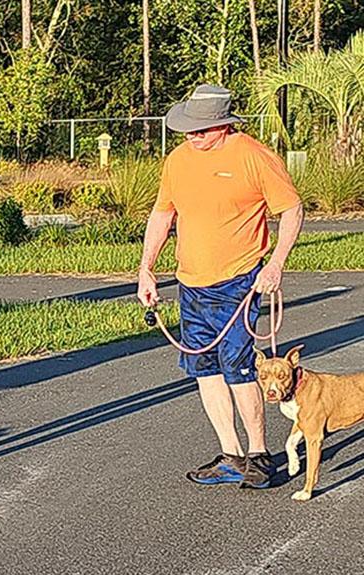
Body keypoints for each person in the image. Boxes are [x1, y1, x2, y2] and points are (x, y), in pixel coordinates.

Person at [137, 84, 303, 489]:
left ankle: (260, 455)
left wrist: (276, 263)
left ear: (225, 125)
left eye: (203, 129)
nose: (193, 136)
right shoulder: (177, 161)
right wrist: (146, 268)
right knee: (205, 370)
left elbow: (292, 208)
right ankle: (231, 454)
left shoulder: (254, 156)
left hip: (238, 282)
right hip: (190, 282)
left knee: (240, 369)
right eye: (190, 129)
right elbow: (163, 215)